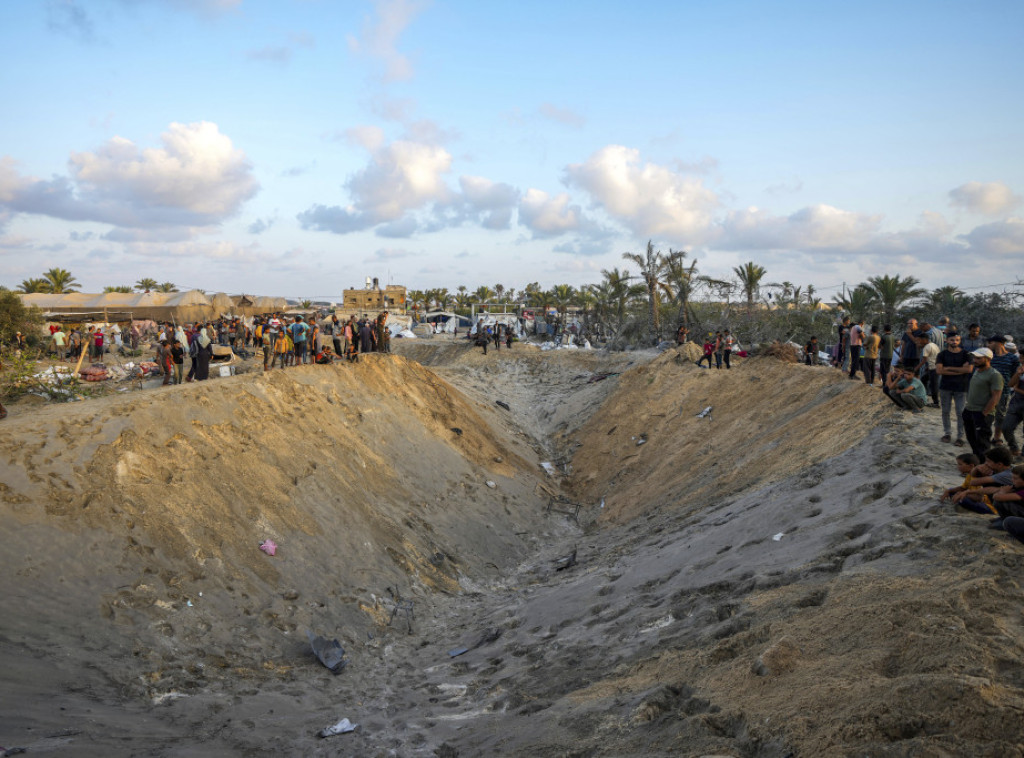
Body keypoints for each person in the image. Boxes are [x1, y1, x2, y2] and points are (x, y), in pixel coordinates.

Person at [962, 347, 1004, 459]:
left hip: (982, 413)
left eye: (979, 358)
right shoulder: (977, 371)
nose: (975, 360)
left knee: (983, 442)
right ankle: (977, 463)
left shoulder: (994, 375)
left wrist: (984, 413)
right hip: (969, 410)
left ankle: (984, 466)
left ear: (987, 359)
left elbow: (996, 396)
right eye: (975, 357)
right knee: (972, 439)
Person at [936, 331, 972, 445]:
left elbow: (969, 370)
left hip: (961, 387)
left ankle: (960, 436)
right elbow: (939, 371)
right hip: (945, 386)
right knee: (945, 411)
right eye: (952, 340)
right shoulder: (942, 354)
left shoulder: (966, 354)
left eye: (957, 340)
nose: (954, 342)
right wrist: (959, 370)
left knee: (960, 412)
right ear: (947, 340)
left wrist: (948, 369)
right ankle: (947, 433)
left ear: (960, 340)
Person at [988, 335, 1020, 447]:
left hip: (1004, 390)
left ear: (998, 343)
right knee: (987, 413)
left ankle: (997, 437)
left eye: (990, 343)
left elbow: (1016, 373)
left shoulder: (1012, 358)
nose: (988, 345)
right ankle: (985, 435)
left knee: (1000, 415)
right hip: (988, 390)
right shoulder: (990, 356)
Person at [986, 464, 1024, 531]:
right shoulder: (1018, 486)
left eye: (1015, 478)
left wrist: (1002, 492)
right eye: (1012, 477)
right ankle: (1004, 518)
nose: (1012, 480)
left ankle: (1006, 522)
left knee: (999, 502)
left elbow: (997, 497)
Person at [1002, 361, 1024, 460]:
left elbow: (1015, 388)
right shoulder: (1020, 369)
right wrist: (1018, 374)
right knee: (1006, 427)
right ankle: (1014, 447)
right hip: (1017, 404)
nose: (1021, 360)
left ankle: (1022, 455)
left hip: (1018, 401)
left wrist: (1018, 390)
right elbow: (1011, 384)